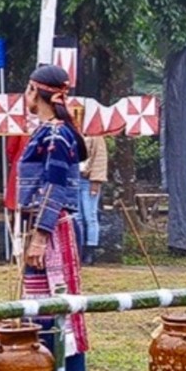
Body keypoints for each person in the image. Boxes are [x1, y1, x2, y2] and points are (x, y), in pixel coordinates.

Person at [18, 64, 89, 371]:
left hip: (53, 227)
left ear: (35, 91)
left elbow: (55, 186)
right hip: (44, 223)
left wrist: (40, 237)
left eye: (28, 89)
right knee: (40, 301)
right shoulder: (49, 132)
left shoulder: (56, 135)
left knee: (54, 303)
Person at [72, 104, 107, 265]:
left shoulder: (96, 135)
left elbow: (100, 159)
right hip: (74, 179)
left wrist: (96, 181)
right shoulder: (71, 134)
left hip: (88, 179)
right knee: (76, 216)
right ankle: (77, 248)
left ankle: (90, 249)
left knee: (90, 216)